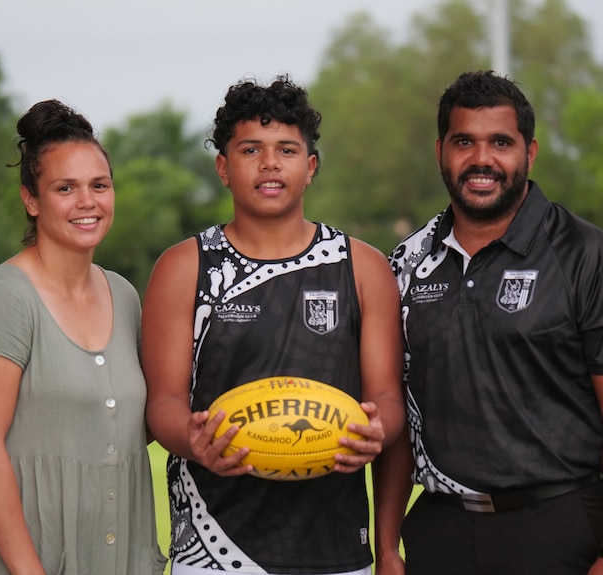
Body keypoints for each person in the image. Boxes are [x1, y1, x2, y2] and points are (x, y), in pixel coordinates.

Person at [374, 70, 603, 575]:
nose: (482, 159)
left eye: (500, 142)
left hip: (557, 526)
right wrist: (387, 542)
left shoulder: (588, 254)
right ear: (441, 150)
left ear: (530, 153)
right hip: (441, 530)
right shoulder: (405, 263)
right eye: (465, 142)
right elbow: (397, 409)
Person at [141, 75, 405, 575]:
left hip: (334, 546)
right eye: (250, 150)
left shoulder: (362, 267)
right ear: (222, 166)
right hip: (214, 547)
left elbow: (388, 397)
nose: (269, 164)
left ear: (310, 168)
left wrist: (378, 430)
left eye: (286, 149)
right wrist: (192, 439)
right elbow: (163, 403)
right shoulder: (185, 267)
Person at [0, 100, 167, 575]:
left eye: (99, 185)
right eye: (65, 188)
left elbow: (122, 426)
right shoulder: (4, 298)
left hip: (105, 551)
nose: (87, 201)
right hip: (14, 559)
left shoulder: (124, 296)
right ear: (31, 200)